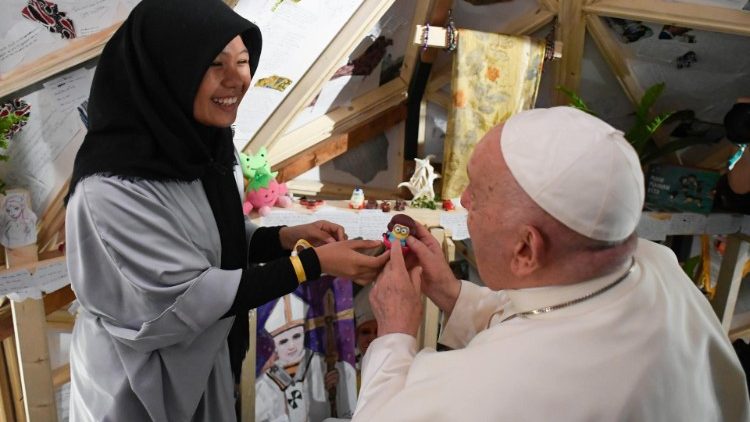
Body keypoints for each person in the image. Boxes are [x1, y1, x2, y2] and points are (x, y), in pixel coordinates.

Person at [64, 0, 387, 420]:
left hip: (202, 363)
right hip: (137, 382)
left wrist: (282, 238)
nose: (239, 79)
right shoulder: (110, 191)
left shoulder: (207, 148)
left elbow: (215, 240)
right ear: (169, 70)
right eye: (216, 64)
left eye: (243, 61)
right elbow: (187, 294)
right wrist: (311, 264)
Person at [355, 106, 750, 421]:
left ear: (526, 250)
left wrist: (394, 331)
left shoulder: (500, 388)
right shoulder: (655, 263)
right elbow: (550, 318)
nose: (463, 199)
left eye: (478, 190)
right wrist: (450, 292)